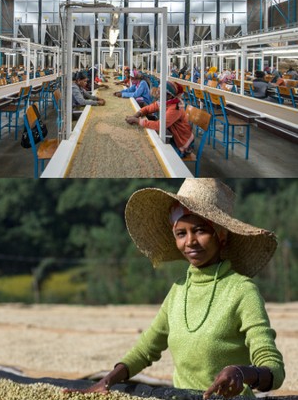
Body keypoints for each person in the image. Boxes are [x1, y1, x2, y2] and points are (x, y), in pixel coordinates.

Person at [72, 179, 284, 399]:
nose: (190, 241)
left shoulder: (242, 291)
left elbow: (273, 369)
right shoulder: (178, 291)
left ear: (221, 236)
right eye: (181, 234)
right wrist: (107, 380)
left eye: (200, 231)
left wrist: (242, 372)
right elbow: (146, 349)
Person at [124, 81, 194, 158]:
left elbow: (159, 125)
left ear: (169, 96)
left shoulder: (175, 109)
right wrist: (138, 114)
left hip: (181, 141)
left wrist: (137, 121)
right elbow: (149, 108)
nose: (158, 93)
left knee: (157, 155)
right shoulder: (165, 101)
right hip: (173, 134)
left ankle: (182, 153)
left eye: (160, 92)